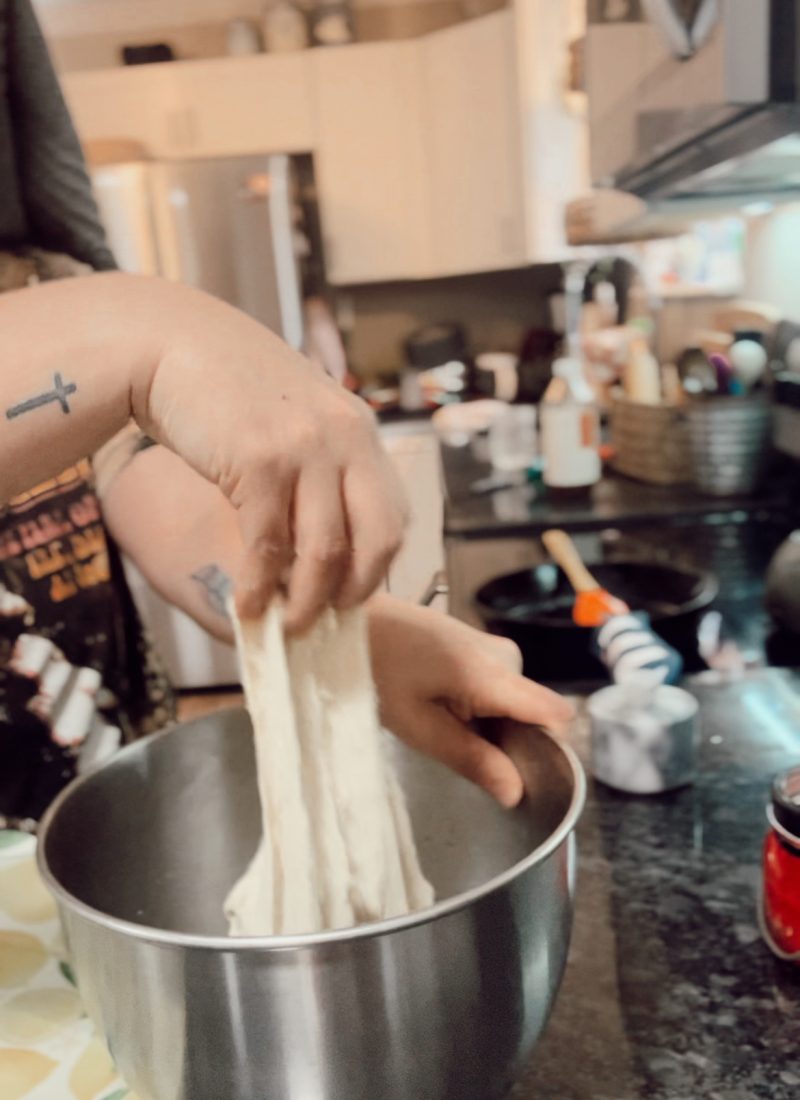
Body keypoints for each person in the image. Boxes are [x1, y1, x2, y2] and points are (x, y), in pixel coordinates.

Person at [0, 0, 572, 831]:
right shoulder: (100, 319)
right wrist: (147, 329)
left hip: (90, 830)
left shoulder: (41, 286)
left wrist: (345, 633)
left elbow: (169, 499)